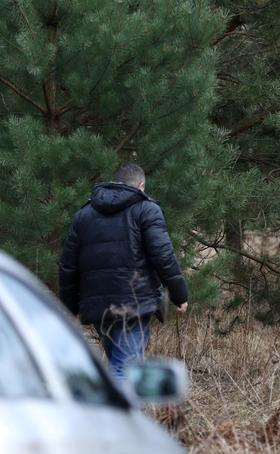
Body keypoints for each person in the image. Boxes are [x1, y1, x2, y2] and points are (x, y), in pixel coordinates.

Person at [59, 163, 188, 380]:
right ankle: (121, 414)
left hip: (97, 305)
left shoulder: (84, 214)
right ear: (141, 185)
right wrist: (179, 295)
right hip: (133, 302)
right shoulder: (147, 210)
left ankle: (112, 409)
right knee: (125, 369)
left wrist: (71, 306)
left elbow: (67, 265)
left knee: (118, 363)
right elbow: (163, 256)